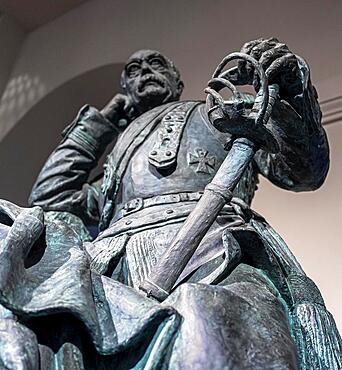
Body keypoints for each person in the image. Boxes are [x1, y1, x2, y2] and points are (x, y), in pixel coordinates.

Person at [0, 38, 340, 369]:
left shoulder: (224, 111)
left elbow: (304, 172)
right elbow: (50, 197)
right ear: (127, 92)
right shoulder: (118, 161)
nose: (145, 71)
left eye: (156, 64)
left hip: (215, 244)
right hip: (117, 259)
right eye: (134, 70)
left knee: (217, 330)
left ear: (177, 80)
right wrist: (97, 125)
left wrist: (290, 92)